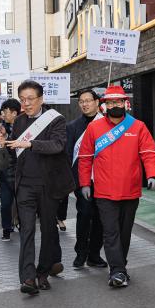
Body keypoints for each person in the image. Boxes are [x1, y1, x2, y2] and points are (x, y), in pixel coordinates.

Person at [0, 80, 76, 295]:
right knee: (27, 231)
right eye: (23, 100)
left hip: (49, 186)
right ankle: (28, 278)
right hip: (25, 186)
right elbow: (15, 152)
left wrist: (31, 144)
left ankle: (43, 272)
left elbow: (58, 145)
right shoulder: (20, 121)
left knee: (49, 231)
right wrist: (5, 142)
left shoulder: (56, 119)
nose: (27, 103)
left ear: (41, 99)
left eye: (30, 99)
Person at [78, 85, 155, 288]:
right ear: (104, 105)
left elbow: (149, 152)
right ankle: (117, 271)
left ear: (125, 103)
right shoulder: (94, 128)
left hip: (130, 190)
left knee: (124, 232)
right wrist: (85, 183)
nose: (115, 105)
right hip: (104, 191)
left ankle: (120, 266)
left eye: (119, 102)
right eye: (111, 102)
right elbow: (85, 157)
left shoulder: (138, 126)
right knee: (110, 231)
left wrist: (153, 175)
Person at [66, 90, 106, 268]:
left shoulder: (108, 124)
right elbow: (69, 154)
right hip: (83, 181)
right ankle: (81, 252)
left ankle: (94, 254)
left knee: (100, 217)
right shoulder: (73, 126)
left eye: (88, 101)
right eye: (81, 101)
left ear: (97, 102)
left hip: (104, 179)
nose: (84, 104)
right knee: (84, 214)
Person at [0, 98, 21, 241]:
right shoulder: (2, 128)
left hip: (20, 175)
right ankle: (6, 228)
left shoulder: (23, 127)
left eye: (5, 112)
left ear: (14, 113)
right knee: (5, 203)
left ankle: (21, 224)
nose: (3, 115)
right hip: (5, 175)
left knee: (21, 203)